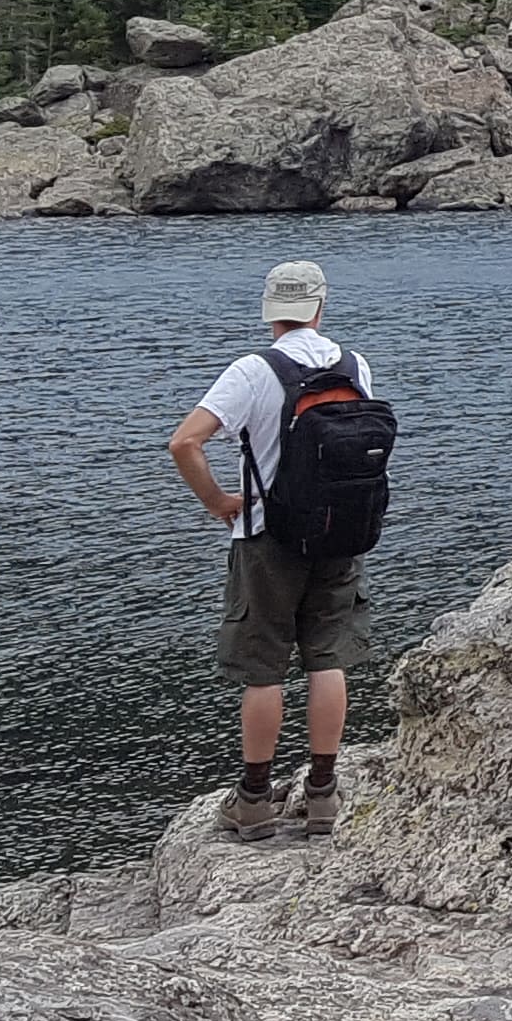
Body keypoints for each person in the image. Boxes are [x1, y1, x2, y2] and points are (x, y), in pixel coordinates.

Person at [168, 258, 381, 838]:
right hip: (342, 530)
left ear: (271, 312)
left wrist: (216, 501)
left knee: (264, 669)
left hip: (266, 536)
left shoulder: (253, 369)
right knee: (326, 658)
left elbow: (185, 442)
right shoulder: (355, 363)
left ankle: (256, 798)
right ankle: (323, 794)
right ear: (320, 306)